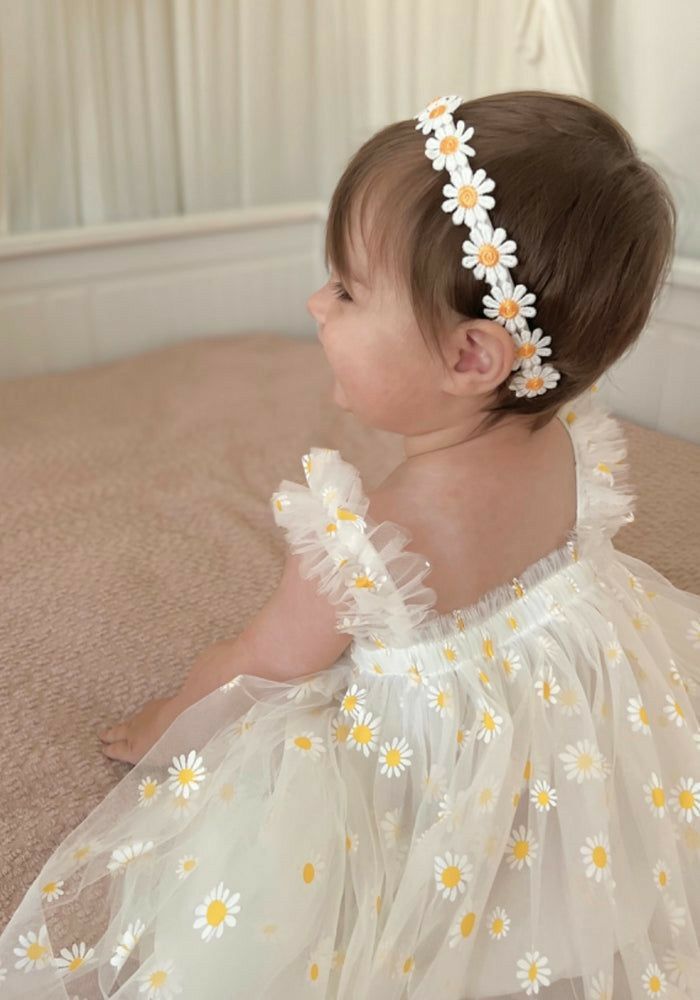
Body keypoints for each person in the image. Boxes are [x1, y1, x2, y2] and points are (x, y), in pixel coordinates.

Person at [1, 90, 698, 1000]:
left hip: (439, 782)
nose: (313, 303)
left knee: (275, 824)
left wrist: (163, 726)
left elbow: (260, 663)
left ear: (470, 358)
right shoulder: (567, 444)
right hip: (570, 723)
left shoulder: (373, 536)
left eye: (346, 290)